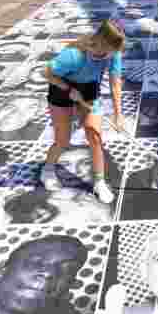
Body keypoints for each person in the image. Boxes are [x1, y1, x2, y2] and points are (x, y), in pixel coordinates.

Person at [41, 19, 126, 204]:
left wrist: (118, 115)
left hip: (88, 90)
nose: (116, 54)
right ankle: (47, 170)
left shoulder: (113, 53)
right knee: (63, 140)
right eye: (113, 49)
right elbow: (47, 72)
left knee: (95, 135)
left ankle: (99, 182)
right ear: (103, 42)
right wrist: (68, 89)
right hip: (62, 88)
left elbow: (115, 82)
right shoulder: (75, 55)